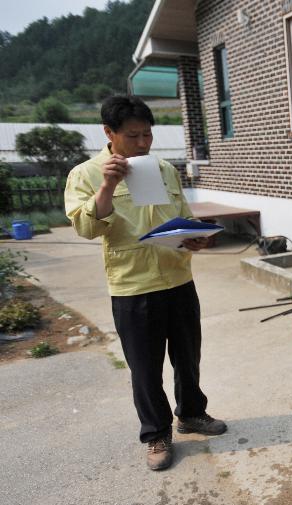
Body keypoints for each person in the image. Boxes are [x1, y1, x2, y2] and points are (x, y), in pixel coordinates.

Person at [65, 95, 226, 472]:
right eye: (133, 136)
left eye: (148, 135)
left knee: (188, 357)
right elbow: (87, 227)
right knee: (145, 367)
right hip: (133, 286)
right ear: (109, 133)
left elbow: (183, 217)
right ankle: (156, 432)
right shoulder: (86, 174)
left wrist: (195, 238)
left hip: (178, 278)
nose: (143, 144)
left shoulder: (165, 169)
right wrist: (107, 185)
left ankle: (191, 414)